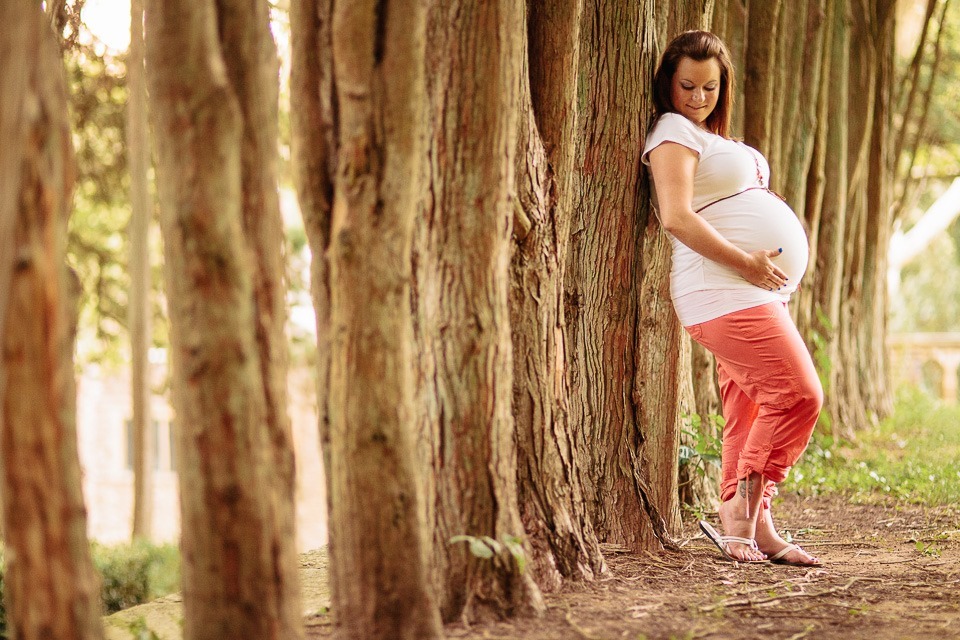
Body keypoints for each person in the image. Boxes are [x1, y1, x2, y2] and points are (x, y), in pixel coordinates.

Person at [641, 30, 823, 566]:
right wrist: (748, 261)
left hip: (746, 291)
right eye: (687, 85)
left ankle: (755, 527)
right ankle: (740, 515)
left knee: (751, 409)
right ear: (668, 85)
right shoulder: (673, 132)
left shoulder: (707, 134)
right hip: (720, 290)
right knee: (798, 395)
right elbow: (675, 217)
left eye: (710, 87)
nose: (698, 97)